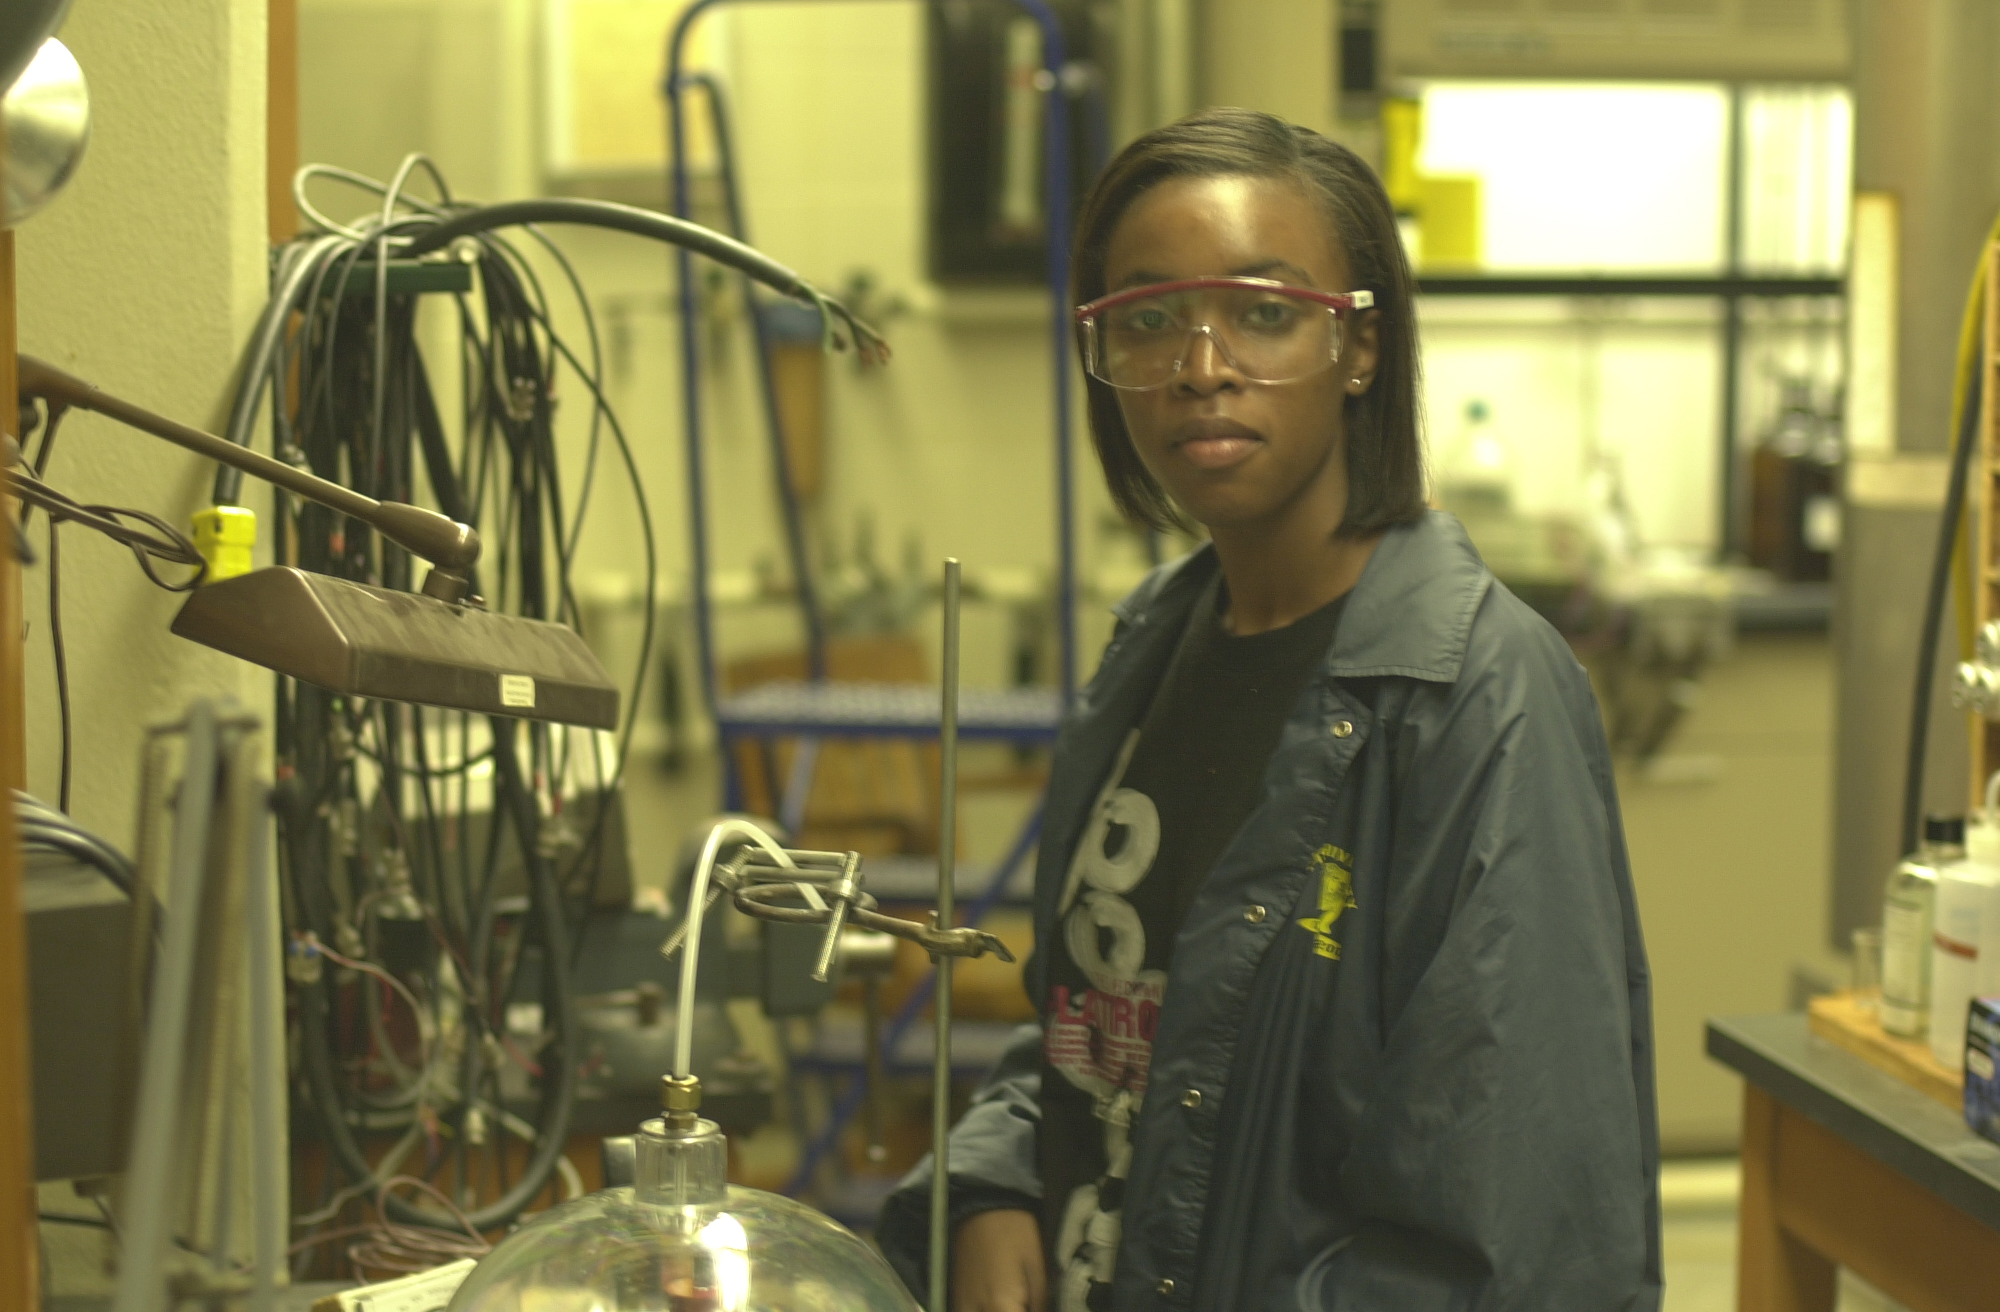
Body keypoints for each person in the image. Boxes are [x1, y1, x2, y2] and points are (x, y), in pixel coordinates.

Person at [877, 106, 1662, 1312]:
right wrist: (992, 1186)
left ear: (1360, 346)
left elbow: (1520, 1240)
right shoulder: (1157, 642)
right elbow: (1113, 1018)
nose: (1200, 367)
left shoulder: (1473, 697)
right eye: (1148, 319)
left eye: (1261, 311)